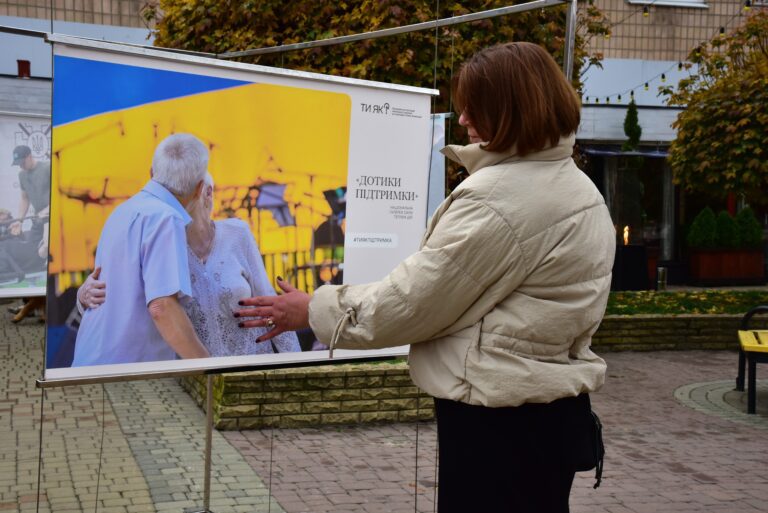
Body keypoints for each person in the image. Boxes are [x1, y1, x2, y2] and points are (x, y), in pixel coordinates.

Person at [235, 42, 616, 513]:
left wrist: (312, 310)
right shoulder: (577, 185)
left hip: (498, 425)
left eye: (474, 108)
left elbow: (413, 303)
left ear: (509, 110)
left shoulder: (501, 198)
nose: (462, 121)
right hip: (548, 415)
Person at [78, 173, 300, 356]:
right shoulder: (163, 246)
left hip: (252, 368)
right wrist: (82, 296)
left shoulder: (237, 233)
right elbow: (129, 301)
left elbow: (269, 299)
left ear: (206, 192)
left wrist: (296, 366)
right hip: (197, 385)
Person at [71, 133, 210, 366]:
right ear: (199, 189)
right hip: (124, 374)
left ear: (151, 173)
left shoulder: (123, 211)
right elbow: (161, 307)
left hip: (90, 362)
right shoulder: (166, 218)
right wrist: (211, 369)